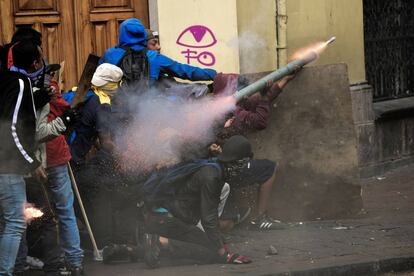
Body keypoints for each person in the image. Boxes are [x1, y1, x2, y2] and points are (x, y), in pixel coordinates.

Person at [140, 138, 257, 267]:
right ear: (237, 162)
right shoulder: (212, 176)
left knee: (211, 244)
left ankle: (147, 246)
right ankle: (160, 242)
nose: (244, 168)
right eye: (244, 163)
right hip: (168, 220)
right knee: (211, 253)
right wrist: (222, 252)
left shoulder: (211, 166)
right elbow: (208, 218)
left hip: (166, 218)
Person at [0, 39, 47, 276]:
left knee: (5, 224)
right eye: (39, 57)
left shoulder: (7, 80)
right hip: (7, 167)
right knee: (16, 223)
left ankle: (12, 268)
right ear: (34, 62)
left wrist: (40, 98)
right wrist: (32, 161)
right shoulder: (19, 82)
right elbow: (11, 127)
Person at [100, 18, 217, 87]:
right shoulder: (153, 57)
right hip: (147, 112)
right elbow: (185, 71)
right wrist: (215, 75)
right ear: (143, 35)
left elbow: (95, 82)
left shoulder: (110, 55)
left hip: (115, 112)